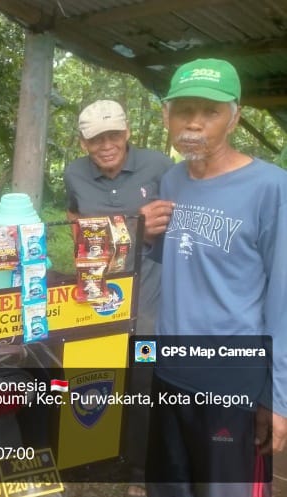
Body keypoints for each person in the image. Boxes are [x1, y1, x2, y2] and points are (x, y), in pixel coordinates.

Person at [146, 58, 287, 497]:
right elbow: (181, 264)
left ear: (235, 117)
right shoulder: (171, 180)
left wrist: (277, 397)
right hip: (169, 373)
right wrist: (145, 236)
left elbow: (283, 300)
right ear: (166, 115)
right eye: (184, 110)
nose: (194, 123)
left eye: (210, 111)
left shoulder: (271, 187)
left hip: (232, 382)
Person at [63, 99, 174, 496]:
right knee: (98, 376)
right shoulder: (74, 173)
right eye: (96, 139)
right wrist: (132, 228)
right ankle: (94, 455)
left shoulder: (159, 166)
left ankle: (140, 471)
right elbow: (75, 219)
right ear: (83, 142)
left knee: (143, 380)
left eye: (113, 135)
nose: (106, 146)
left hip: (148, 298)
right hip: (98, 298)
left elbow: (179, 222)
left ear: (127, 133)